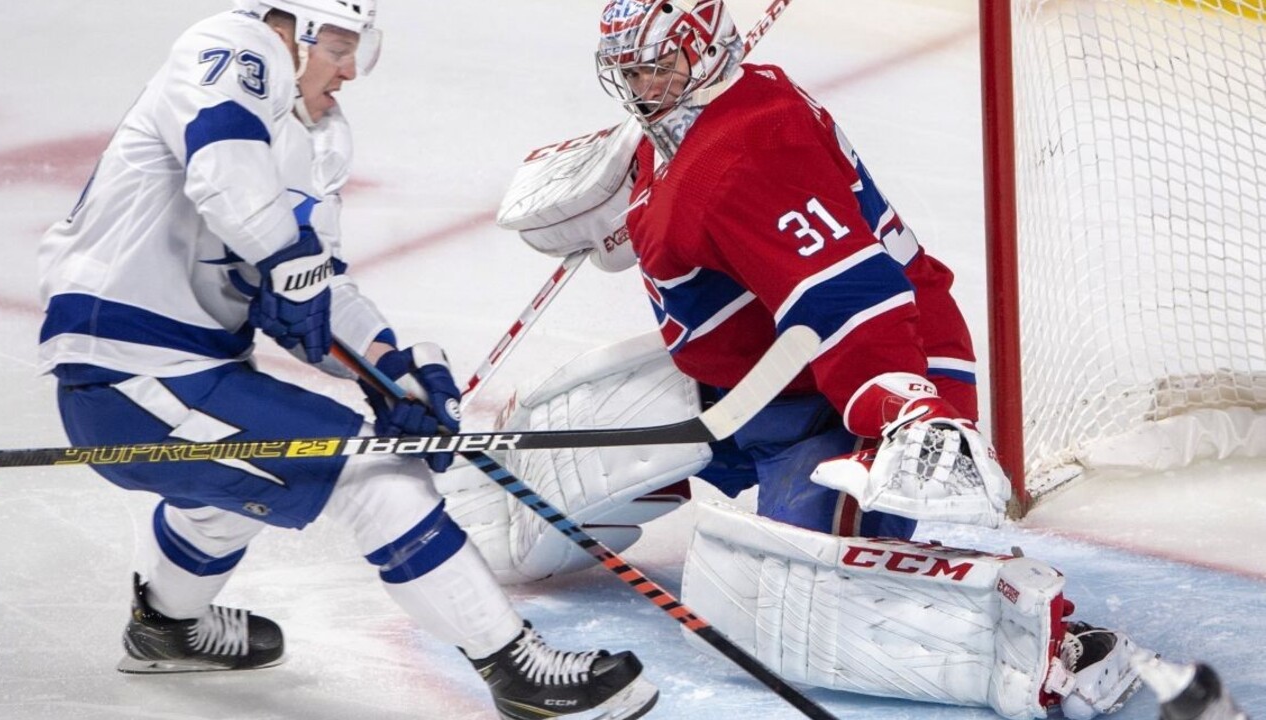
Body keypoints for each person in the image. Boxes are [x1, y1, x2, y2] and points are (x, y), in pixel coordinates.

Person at [444, 2, 1154, 718]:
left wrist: (909, 411)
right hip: (757, 384)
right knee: (523, 504)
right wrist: (624, 182)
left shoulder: (752, 155)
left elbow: (849, 300)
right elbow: (680, 192)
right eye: (628, 70)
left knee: (787, 603)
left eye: (658, 67)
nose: (642, 87)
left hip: (870, 383)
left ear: (708, 50)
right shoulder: (690, 122)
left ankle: (1057, 646)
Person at [35, 2, 659, 718]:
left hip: (188, 373)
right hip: (126, 371)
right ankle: (520, 671)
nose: (351, 67)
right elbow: (224, 175)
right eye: (336, 43)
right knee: (374, 477)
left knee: (239, 485)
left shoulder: (320, 136)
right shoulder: (231, 46)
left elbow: (318, 288)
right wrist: (285, 265)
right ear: (287, 27)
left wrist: (397, 371)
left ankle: (166, 627)